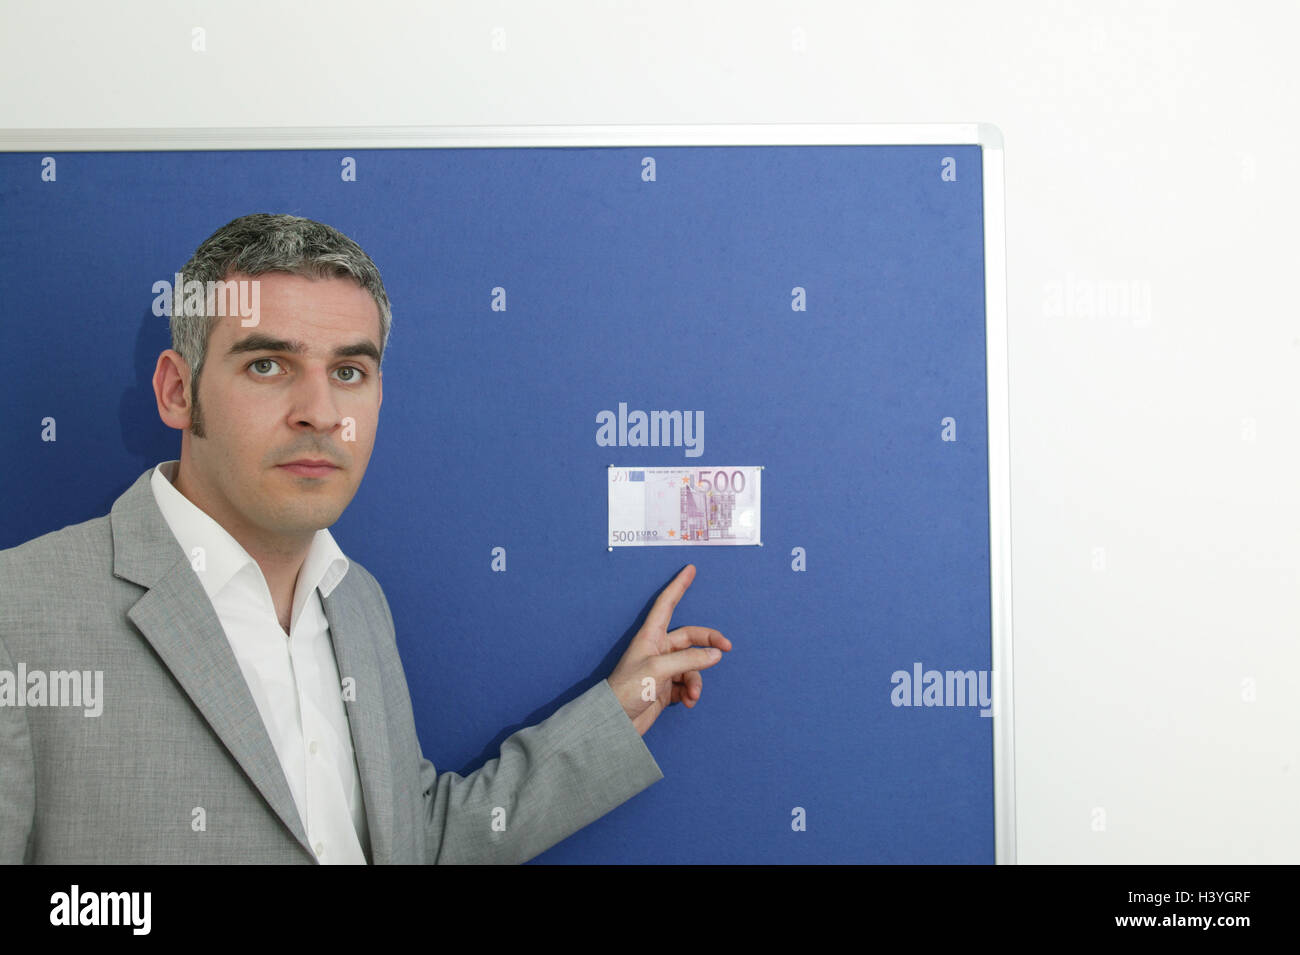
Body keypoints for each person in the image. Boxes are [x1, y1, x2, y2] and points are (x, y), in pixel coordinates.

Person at [0, 213, 731, 864]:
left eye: (349, 370)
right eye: (267, 364)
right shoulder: (20, 616)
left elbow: (412, 839)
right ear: (176, 390)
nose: (319, 411)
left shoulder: (356, 602)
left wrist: (619, 706)